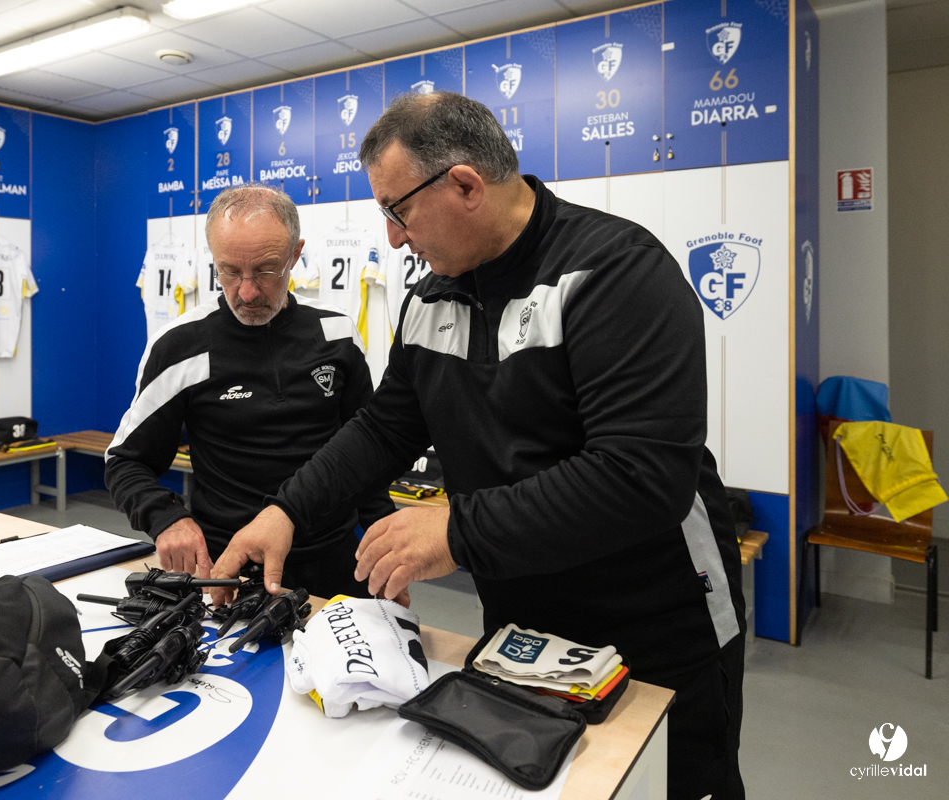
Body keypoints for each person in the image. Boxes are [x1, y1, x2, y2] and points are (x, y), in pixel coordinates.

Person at [212, 93, 746, 799]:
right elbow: (383, 428)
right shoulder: (431, 299)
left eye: (397, 211)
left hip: (656, 631)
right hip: (519, 626)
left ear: (464, 184)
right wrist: (285, 512)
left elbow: (640, 477)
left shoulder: (615, 273)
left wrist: (458, 528)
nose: (395, 238)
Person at [105, 183, 393, 599]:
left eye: (265, 270)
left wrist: (384, 549)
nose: (247, 292)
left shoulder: (338, 334)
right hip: (230, 570)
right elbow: (125, 462)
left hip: (336, 564)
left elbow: (366, 457)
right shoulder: (179, 346)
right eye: (229, 271)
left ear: (296, 255)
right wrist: (166, 518)